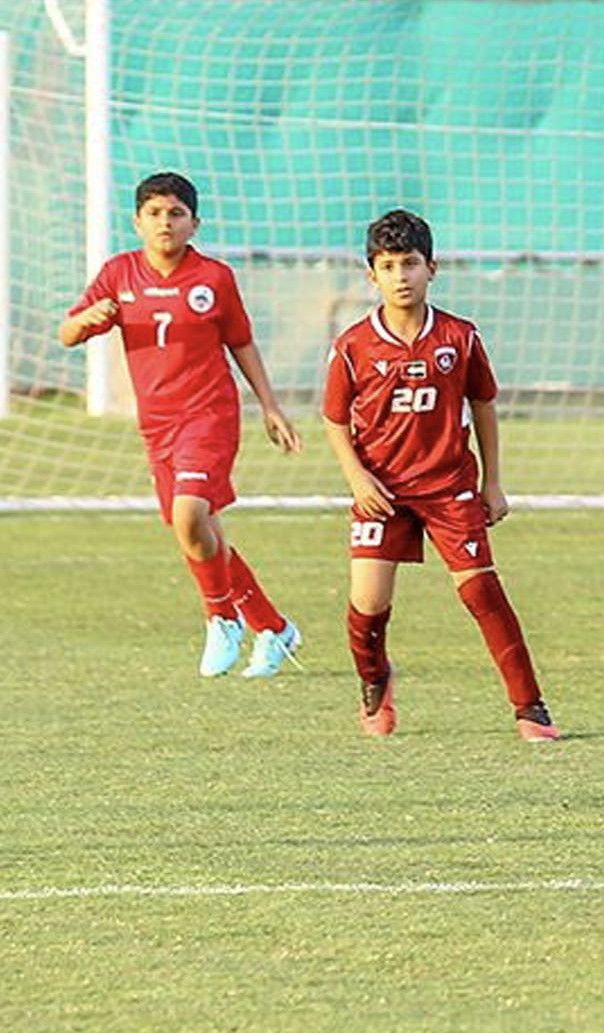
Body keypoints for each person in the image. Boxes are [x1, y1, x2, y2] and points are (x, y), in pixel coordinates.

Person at [321, 209, 558, 743]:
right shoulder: (354, 346)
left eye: (410, 264)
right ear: (371, 275)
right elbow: (334, 420)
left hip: (449, 487)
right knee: (367, 607)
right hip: (382, 491)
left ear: (433, 268)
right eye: (388, 266)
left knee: (482, 594)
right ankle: (376, 680)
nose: (400, 276)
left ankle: (530, 709)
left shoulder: (460, 337)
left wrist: (493, 482)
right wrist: (357, 478)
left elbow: (485, 405)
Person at [59, 171, 303, 679]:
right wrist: (89, 320)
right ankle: (275, 628)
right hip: (158, 425)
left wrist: (271, 406)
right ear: (137, 221)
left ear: (195, 223)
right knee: (201, 537)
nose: (165, 223)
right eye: (154, 213)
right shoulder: (119, 273)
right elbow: (67, 332)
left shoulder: (213, 278)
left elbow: (241, 344)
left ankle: (222, 618)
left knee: (190, 516)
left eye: (175, 213)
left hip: (209, 416)